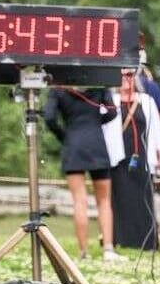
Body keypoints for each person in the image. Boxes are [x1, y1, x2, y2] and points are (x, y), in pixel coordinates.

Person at [44, 82, 125, 261]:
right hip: (97, 144)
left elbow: (49, 117)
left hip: (73, 145)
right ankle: (108, 249)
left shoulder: (58, 88)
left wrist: (64, 135)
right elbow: (112, 111)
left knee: (79, 201)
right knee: (104, 200)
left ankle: (83, 252)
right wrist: (96, 122)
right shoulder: (99, 84)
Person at [109, 66, 160, 252]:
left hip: (143, 157)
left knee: (143, 199)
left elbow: (157, 131)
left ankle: (147, 242)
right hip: (119, 157)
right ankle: (121, 239)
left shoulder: (147, 101)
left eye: (130, 75)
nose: (126, 79)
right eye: (122, 76)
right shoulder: (112, 101)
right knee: (121, 199)